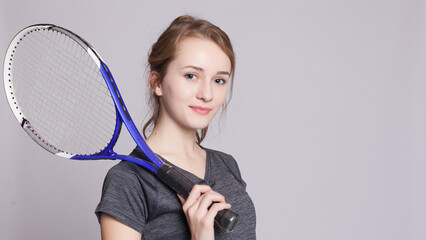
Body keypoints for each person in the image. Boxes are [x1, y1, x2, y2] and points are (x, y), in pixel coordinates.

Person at [95, 15, 256, 240]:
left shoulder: (226, 165)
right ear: (157, 82)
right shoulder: (129, 181)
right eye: (191, 76)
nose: (207, 94)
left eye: (219, 80)